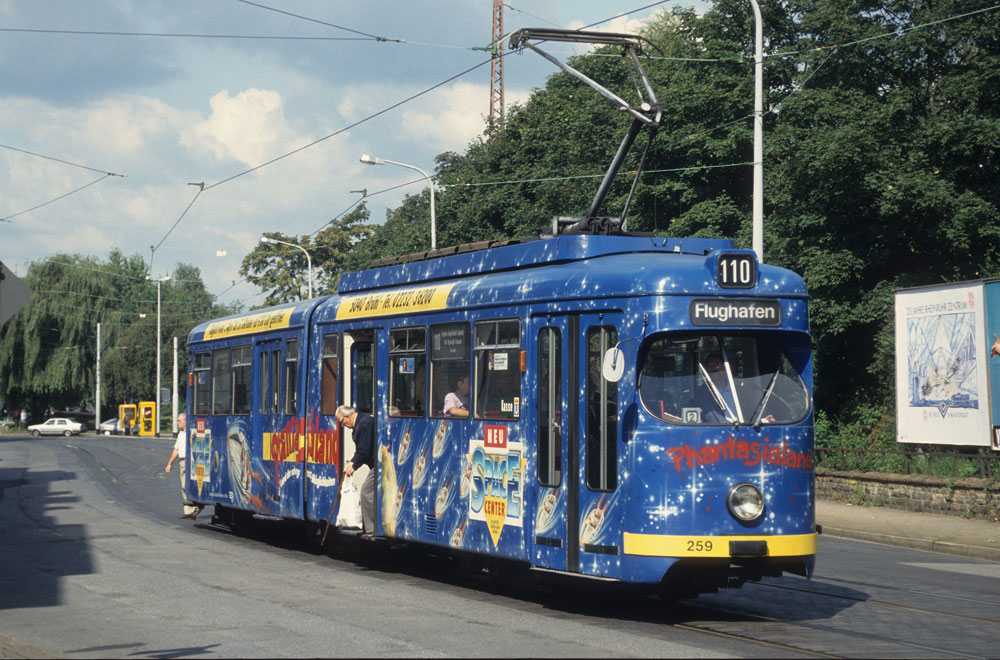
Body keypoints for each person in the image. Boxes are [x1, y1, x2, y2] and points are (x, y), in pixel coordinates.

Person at [337, 405, 377, 538]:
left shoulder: (363, 424)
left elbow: (364, 451)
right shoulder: (361, 423)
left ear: (347, 417)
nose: (342, 426)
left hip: (378, 464)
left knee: (366, 491)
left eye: (341, 422)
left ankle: (371, 529)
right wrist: (352, 463)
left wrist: (353, 465)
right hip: (375, 464)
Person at [165, 413, 203, 519]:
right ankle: (189, 510)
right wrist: (170, 463)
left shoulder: (190, 433)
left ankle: (195, 507)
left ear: (185, 421)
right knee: (183, 486)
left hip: (190, 461)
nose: (177, 423)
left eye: (179, 421)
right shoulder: (181, 434)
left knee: (189, 485)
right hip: (182, 462)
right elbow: (176, 450)